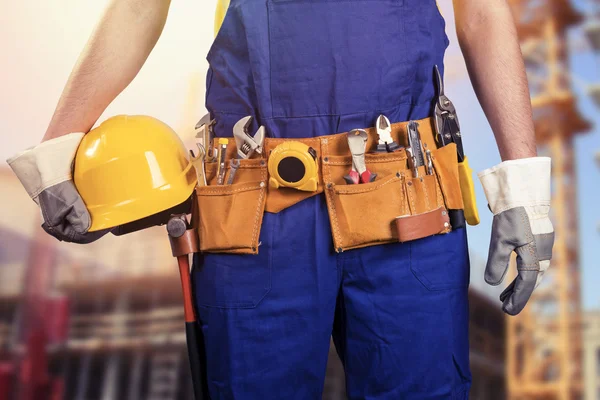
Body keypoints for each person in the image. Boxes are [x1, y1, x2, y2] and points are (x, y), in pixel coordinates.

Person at [7, 0, 554, 398]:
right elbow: (136, 8)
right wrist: (59, 145)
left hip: (407, 198)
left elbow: (482, 12)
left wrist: (523, 186)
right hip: (254, 212)